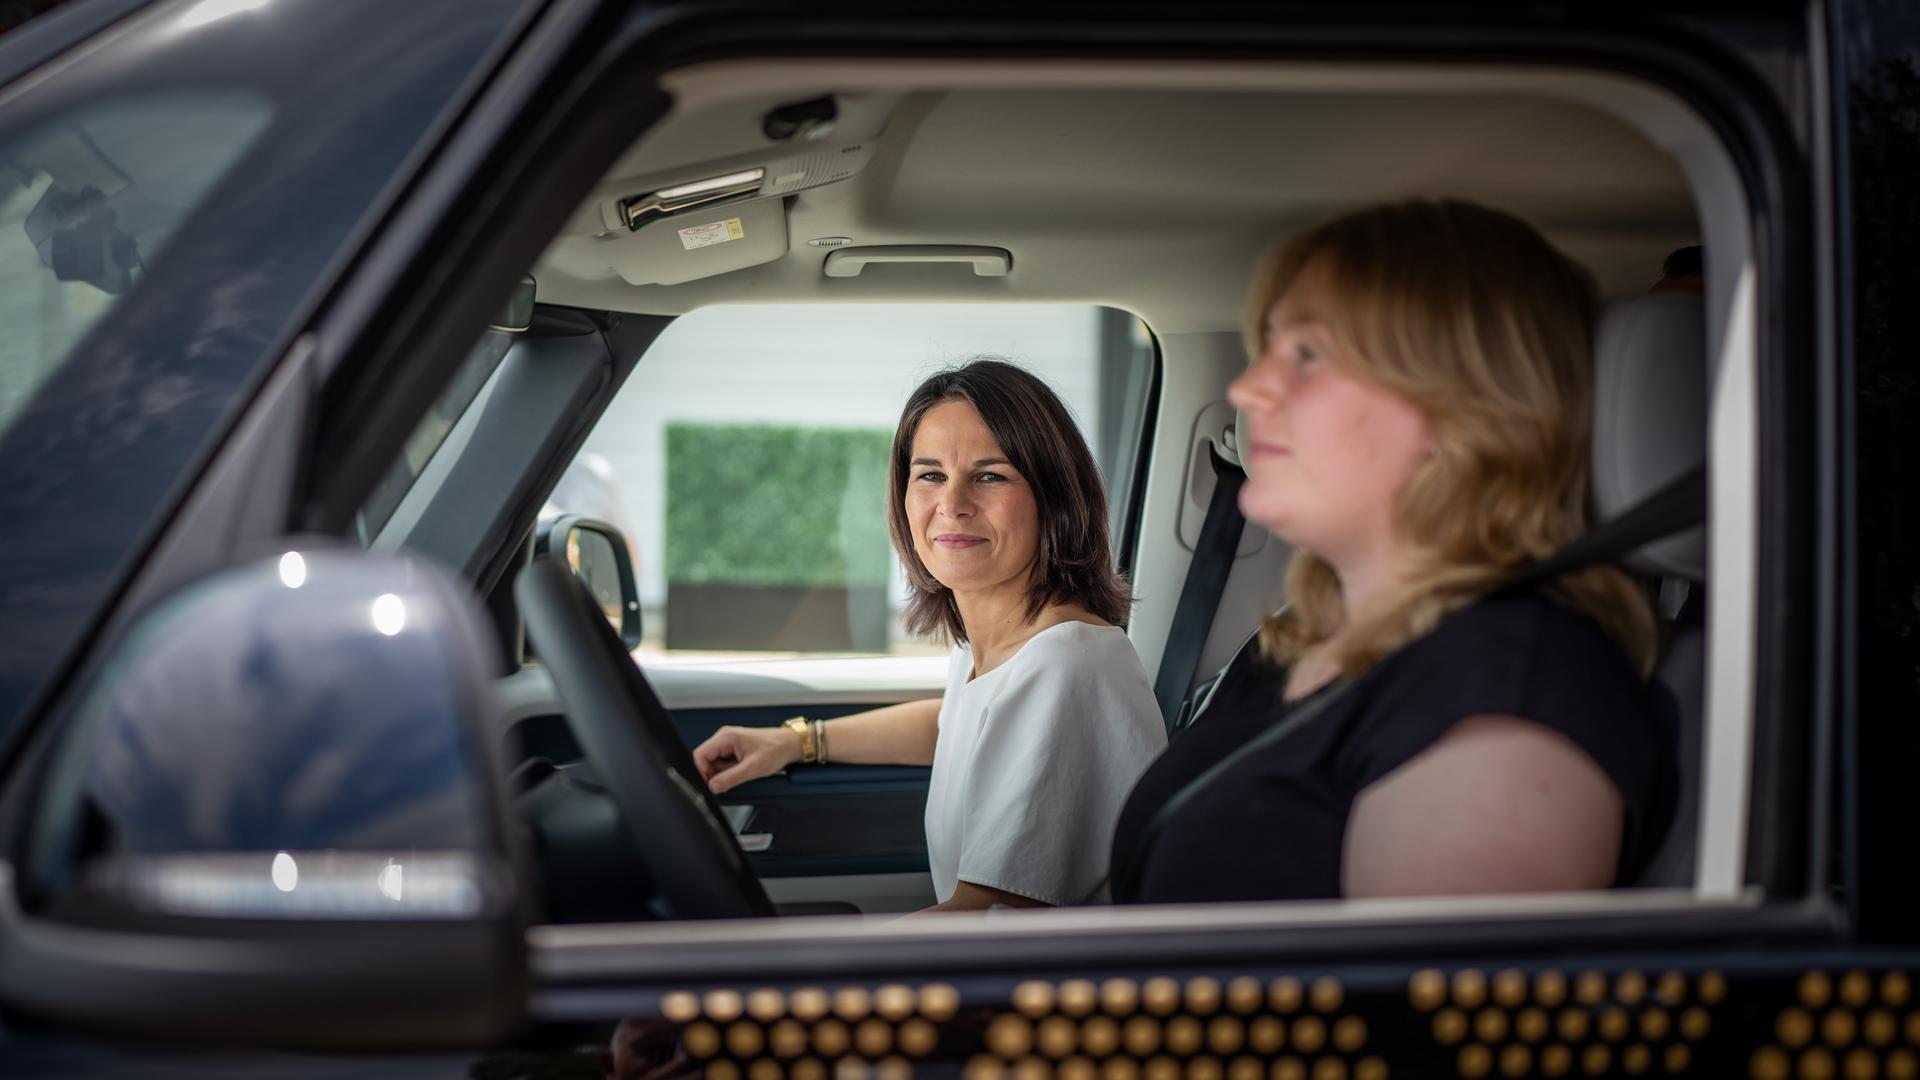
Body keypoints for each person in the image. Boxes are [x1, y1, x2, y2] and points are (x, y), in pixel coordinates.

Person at [1110, 200, 1675, 903]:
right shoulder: (1304, 640)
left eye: (1308, 355)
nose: (1248, 388)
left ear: (1465, 406)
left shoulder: (1512, 692)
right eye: (1268, 349)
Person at [693, 360, 1166, 911]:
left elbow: (980, 921)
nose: (952, 504)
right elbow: (955, 725)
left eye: (991, 475)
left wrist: (801, 972)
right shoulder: (996, 646)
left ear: (1055, 496)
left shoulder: (1066, 663)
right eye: (931, 474)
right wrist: (797, 742)